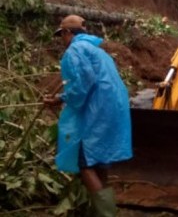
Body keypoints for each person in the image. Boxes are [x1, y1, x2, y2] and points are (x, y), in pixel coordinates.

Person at [44, 14, 132, 217]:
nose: (62, 41)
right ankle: (100, 210)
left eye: (61, 35)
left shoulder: (74, 50)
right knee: (100, 160)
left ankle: (106, 214)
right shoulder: (98, 51)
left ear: (67, 33)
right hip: (113, 109)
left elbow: (82, 84)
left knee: (85, 164)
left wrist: (60, 99)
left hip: (97, 112)